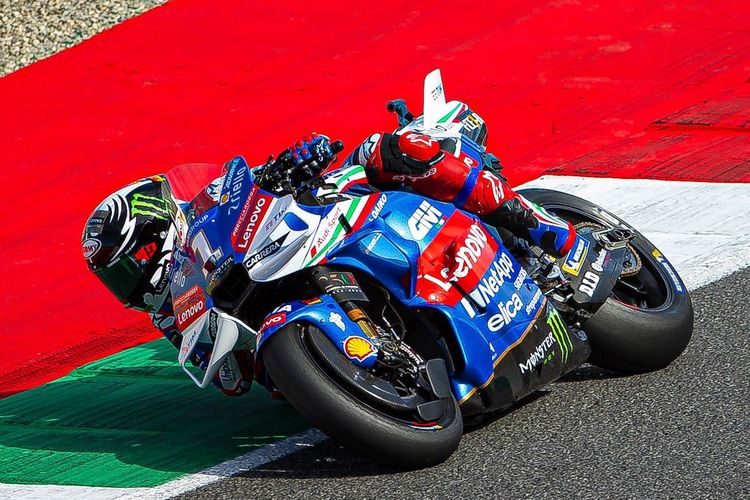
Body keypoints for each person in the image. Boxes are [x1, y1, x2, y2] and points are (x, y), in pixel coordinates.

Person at [82, 124, 576, 397]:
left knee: (391, 150)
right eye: (118, 279)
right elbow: (235, 384)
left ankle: (558, 239)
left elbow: (260, 184)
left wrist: (290, 166)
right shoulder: (177, 316)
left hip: (319, 221)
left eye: (132, 264)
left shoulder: (209, 208)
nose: (133, 285)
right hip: (297, 324)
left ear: (158, 229)